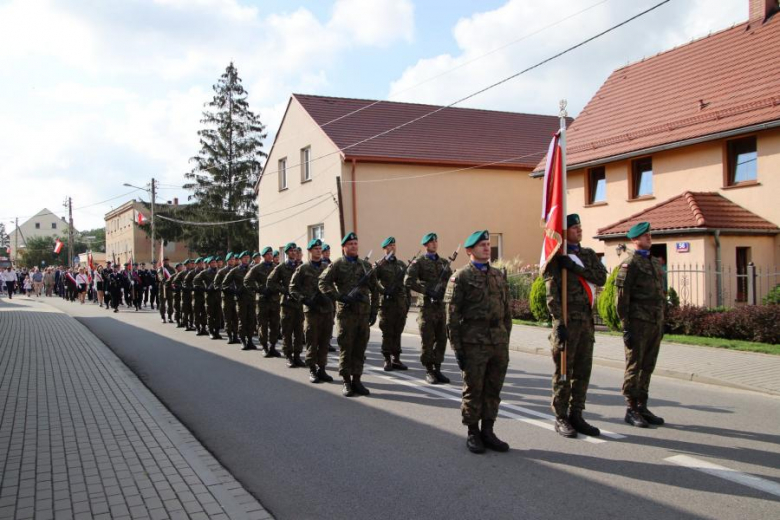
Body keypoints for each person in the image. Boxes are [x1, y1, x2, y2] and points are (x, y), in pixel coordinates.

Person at [445, 230, 512, 454]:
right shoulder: (461, 277)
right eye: (482, 244)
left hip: (498, 342)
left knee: (493, 388)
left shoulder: (498, 275)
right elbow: (452, 316)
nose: (486, 247)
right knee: (474, 389)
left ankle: (488, 431)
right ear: (469, 250)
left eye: (488, 243)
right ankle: (473, 432)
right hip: (473, 342)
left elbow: (507, 311)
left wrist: (505, 337)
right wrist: (457, 348)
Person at [544, 214, 608, 438]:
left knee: (583, 372)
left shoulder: (588, 255)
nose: (579, 230)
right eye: (574, 227)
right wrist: (559, 323)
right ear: (564, 232)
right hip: (567, 324)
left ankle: (577, 414)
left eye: (580, 226)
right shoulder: (556, 258)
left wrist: (575, 267)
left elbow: (601, 278)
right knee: (563, 372)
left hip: (586, 325)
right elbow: (552, 295)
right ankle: (561, 416)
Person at [616, 222, 667, 428]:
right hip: (638, 323)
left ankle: (642, 405)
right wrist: (626, 326)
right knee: (635, 366)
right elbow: (622, 298)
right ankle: (631, 408)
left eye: (650, 235)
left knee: (648, 366)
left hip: (655, 321)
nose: (649, 238)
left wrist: (663, 319)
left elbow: (660, 293)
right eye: (645, 236)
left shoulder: (654, 262)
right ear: (634, 239)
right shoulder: (630, 264)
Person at [319, 232, 378, 397]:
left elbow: (375, 289)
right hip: (346, 314)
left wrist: (374, 310)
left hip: (363, 314)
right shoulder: (338, 264)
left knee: (360, 349)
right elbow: (323, 282)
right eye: (350, 244)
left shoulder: (366, 266)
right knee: (346, 348)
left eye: (355, 243)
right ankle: (346, 381)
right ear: (344, 247)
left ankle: (357, 380)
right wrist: (339, 297)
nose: (353, 246)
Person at [405, 232, 451, 385]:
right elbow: (408, 281)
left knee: (442, 339)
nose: (434, 244)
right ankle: (429, 370)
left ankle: (437, 368)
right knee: (428, 339)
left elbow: (450, 283)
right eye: (431, 242)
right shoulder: (419, 262)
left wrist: (444, 292)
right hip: (427, 306)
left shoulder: (444, 263)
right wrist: (426, 290)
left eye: (436, 241)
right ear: (425, 245)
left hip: (440, 305)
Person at [290, 239, 334, 383]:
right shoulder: (303, 269)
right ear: (309, 251)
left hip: (327, 309)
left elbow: (335, 284)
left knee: (325, 341)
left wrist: (331, 295)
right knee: (312, 340)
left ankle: (322, 369)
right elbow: (292, 288)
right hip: (312, 311)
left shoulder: (328, 267)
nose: (318, 251)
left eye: (320, 248)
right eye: (315, 249)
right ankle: (312, 370)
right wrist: (304, 300)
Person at [375, 236, 409, 371]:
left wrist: (407, 301)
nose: (392, 248)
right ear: (384, 248)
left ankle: (396, 358)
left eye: (394, 245)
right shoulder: (380, 264)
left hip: (400, 303)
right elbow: (372, 281)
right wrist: (383, 290)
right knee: (387, 331)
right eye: (390, 246)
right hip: (386, 304)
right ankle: (387, 359)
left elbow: (407, 284)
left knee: (398, 331)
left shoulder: (401, 264)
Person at [269, 243, 305, 367]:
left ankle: (297, 356)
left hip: (299, 303)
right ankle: (288, 356)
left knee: (299, 331)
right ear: (287, 253)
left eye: (295, 251)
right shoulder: (281, 267)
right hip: (287, 304)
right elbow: (270, 281)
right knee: (287, 331)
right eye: (291, 251)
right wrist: (283, 290)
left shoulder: (301, 267)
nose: (294, 253)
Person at [243, 247, 281, 356]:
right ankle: (264, 347)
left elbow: (282, 281)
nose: (270, 256)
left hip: (274, 300)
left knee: (275, 324)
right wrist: (259, 289)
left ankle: (272, 346)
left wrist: (277, 288)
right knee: (262, 324)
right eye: (268, 254)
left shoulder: (276, 268)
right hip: (262, 300)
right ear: (263, 256)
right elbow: (247, 280)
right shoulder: (257, 268)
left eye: (271, 254)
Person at [223, 251, 256, 350]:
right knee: (242, 320)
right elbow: (224, 284)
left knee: (251, 320)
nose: (247, 259)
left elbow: (260, 281)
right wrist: (234, 290)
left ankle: (250, 340)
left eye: (248, 257)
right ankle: (243, 340)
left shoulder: (253, 269)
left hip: (251, 298)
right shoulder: (235, 271)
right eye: (244, 257)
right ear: (240, 259)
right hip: (241, 300)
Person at [219, 253, 240, 344]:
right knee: (227, 318)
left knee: (236, 318)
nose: (232, 261)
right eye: (230, 259)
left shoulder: (237, 270)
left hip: (236, 297)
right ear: (227, 261)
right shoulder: (222, 271)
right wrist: (225, 288)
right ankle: (229, 336)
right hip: (226, 297)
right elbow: (216, 284)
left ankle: (235, 336)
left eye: (233, 259)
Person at [192, 258, 208, 335]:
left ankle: (204, 328)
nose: (201, 265)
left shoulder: (206, 272)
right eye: (200, 263)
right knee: (197, 312)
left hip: (204, 295)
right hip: (196, 295)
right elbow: (186, 282)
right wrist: (193, 287)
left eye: (202, 263)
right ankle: (197, 328)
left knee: (204, 312)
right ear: (196, 264)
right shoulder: (192, 273)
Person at [157, 258, 175, 323]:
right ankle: (163, 317)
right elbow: (159, 275)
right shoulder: (161, 269)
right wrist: (162, 279)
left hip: (170, 288)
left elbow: (174, 276)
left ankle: (170, 317)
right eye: (165, 261)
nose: (166, 262)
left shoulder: (171, 269)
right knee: (162, 304)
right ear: (163, 261)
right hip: (163, 288)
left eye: (167, 260)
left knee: (170, 303)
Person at [181, 259, 197, 331]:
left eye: (192, 264)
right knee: (186, 310)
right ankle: (186, 325)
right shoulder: (182, 273)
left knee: (192, 310)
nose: (192, 265)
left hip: (192, 293)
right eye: (190, 264)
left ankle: (191, 324)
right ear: (186, 265)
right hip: (185, 293)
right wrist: (182, 286)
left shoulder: (194, 272)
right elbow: (175, 281)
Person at [170, 262, 186, 326]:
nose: (181, 268)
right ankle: (178, 321)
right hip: (176, 294)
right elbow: (168, 284)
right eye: (179, 267)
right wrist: (173, 289)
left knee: (183, 308)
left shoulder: (184, 274)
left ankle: (183, 321)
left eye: (181, 267)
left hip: (183, 293)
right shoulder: (173, 276)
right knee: (177, 308)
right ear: (176, 268)